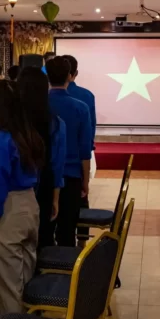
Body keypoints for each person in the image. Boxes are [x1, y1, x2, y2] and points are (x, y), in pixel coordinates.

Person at [0, 80, 45, 316]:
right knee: (24, 281)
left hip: (9, 212)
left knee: (7, 290)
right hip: (30, 206)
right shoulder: (27, 134)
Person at [17, 67, 67, 249]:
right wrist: (55, 199)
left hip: (16, 194)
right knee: (42, 241)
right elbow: (57, 165)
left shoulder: (12, 126)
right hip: (44, 188)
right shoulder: (56, 124)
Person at [46, 56, 92, 247]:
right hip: (71, 177)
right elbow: (85, 150)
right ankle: (67, 265)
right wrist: (85, 182)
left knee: (44, 233)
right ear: (69, 76)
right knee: (67, 233)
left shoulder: (39, 106)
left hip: (44, 178)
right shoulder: (81, 108)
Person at [61, 54, 97, 243]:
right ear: (75, 73)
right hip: (75, 166)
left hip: (48, 168)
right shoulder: (86, 96)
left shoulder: (43, 99)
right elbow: (89, 136)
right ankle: (82, 243)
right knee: (80, 204)